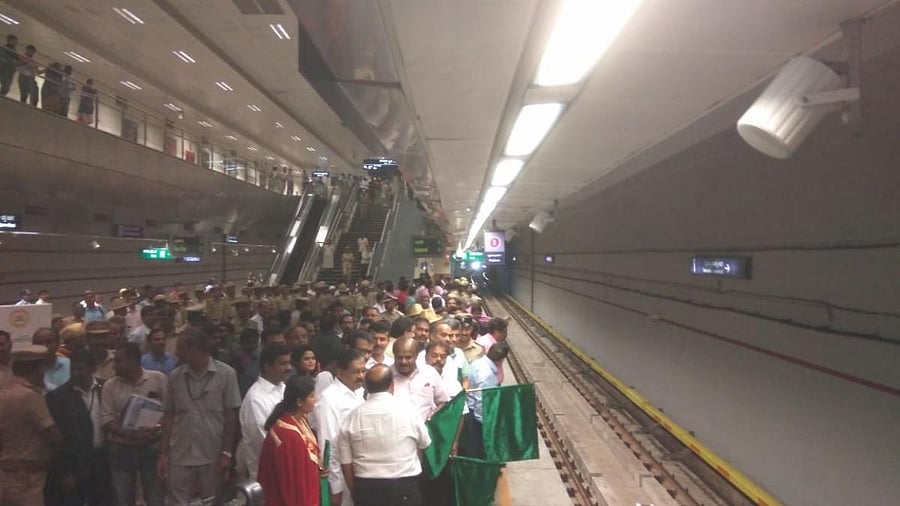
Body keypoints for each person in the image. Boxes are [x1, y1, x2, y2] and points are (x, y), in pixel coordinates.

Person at [157, 330, 241, 505]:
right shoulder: (175, 376)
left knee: (211, 501)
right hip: (179, 452)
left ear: (194, 349)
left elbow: (231, 417)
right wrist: (163, 454)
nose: (176, 353)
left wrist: (226, 452)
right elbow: (170, 415)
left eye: (180, 348)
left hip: (212, 452)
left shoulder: (226, 374)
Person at [337, 365, 431, 506]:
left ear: (366, 387)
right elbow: (425, 443)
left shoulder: (352, 418)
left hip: (366, 489)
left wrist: (356, 491)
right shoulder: (409, 411)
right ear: (392, 385)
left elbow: (346, 463)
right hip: (404, 487)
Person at [101, 343, 167, 506]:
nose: (115, 366)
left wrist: (156, 429)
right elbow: (106, 419)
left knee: (155, 498)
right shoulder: (110, 385)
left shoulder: (158, 379)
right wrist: (128, 433)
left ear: (134, 361)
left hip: (152, 447)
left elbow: (170, 412)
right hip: (122, 449)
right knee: (123, 498)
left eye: (119, 361)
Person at [44, 348, 110, 506]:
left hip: (103, 460)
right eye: (73, 368)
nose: (76, 373)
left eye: (81, 369)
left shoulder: (106, 388)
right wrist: (65, 472)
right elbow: (56, 440)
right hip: (74, 462)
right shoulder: (57, 397)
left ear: (92, 369)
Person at [0, 344, 63, 506]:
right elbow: (53, 435)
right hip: (27, 479)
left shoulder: (4, 393)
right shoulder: (30, 397)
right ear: (36, 369)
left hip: (5, 473)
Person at [257, 375, 322, 506]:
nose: (316, 399)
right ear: (299, 402)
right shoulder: (287, 436)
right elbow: (290, 482)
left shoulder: (300, 420)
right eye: (312, 396)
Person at [313, 349, 366, 506]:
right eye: (356, 372)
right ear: (341, 372)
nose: (361, 376)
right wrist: (335, 486)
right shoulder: (329, 399)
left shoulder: (358, 392)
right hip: (341, 475)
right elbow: (328, 445)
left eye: (363, 371)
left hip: (359, 467)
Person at [237, 343, 291, 482]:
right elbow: (266, 443)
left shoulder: (283, 388)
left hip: (287, 471)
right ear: (267, 366)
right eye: (283, 364)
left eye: (289, 363)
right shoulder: (256, 400)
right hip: (268, 476)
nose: (289, 368)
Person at [465, 341, 511, 459]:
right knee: (477, 451)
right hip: (476, 418)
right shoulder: (487, 375)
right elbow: (481, 402)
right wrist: (487, 425)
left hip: (471, 411)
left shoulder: (478, 362)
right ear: (502, 359)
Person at [391, 337, 449, 420]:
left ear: (416, 356)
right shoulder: (386, 376)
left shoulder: (430, 373)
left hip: (424, 430)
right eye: (399, 357)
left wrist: (432, 417)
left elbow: (443, 402)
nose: (403, 361)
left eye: (408, 357)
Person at [32, 327, 70, 391]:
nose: (44, 346)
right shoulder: (29, 371)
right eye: (39, 343)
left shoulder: (69, 365)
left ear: (58, 344)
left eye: (49, 342)